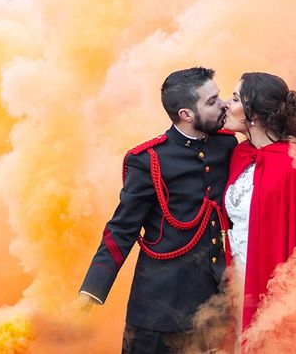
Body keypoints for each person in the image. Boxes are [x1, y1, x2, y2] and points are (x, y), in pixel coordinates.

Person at [77, 67, 239, 353]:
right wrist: (92, 289)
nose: (224, 103)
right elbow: (122, 228)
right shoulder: (149, 159)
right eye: (212, 101)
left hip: (215, 300)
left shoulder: (226, 144)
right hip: (160, 305)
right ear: (186, 115)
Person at [222, 72, 296, 333]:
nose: (226, 103)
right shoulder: (240, 153)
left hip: (269, 280)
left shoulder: (293, 166)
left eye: (235, 98)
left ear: (255, 115)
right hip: (233, 282)